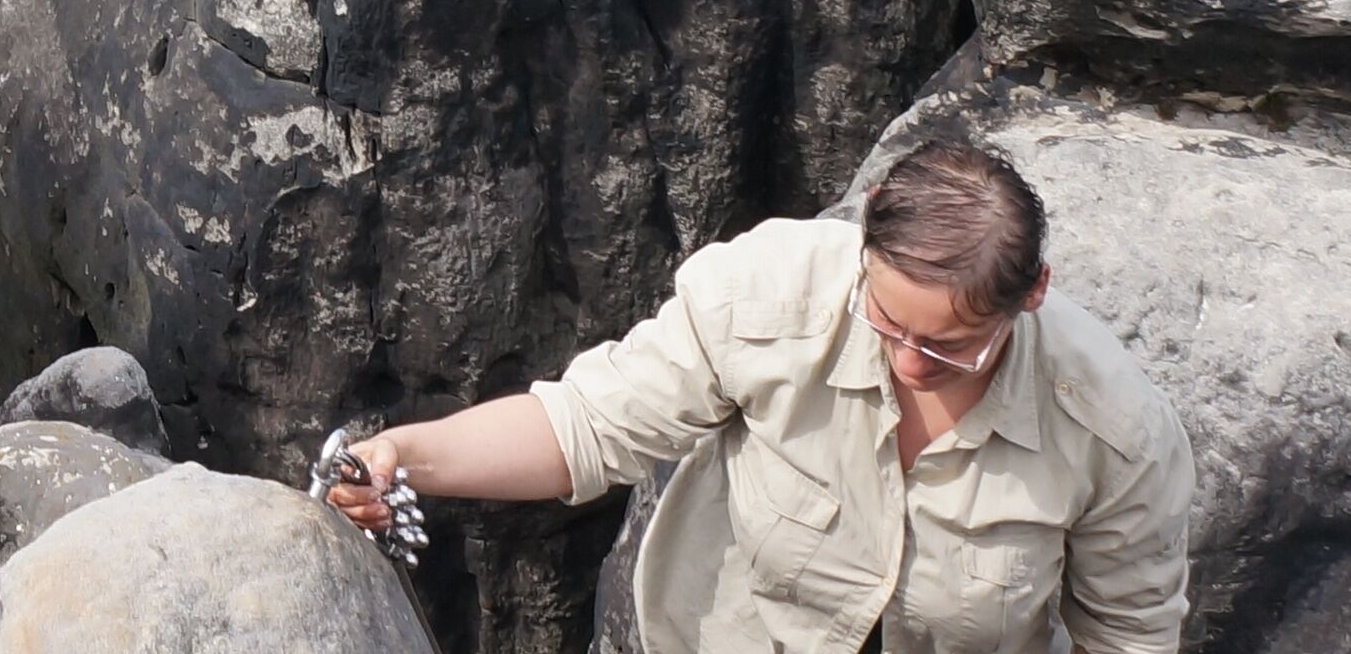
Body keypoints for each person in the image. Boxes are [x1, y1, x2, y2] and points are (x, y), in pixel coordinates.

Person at [317, 140, 1193, 654]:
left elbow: (1129, 638)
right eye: (889, 323)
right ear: (867, 229)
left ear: (1032, 292)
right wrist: (407, 456)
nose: (914, 363)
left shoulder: (1112, 431)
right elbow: (585, 425)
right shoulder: (767, 293)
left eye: (952, 345)